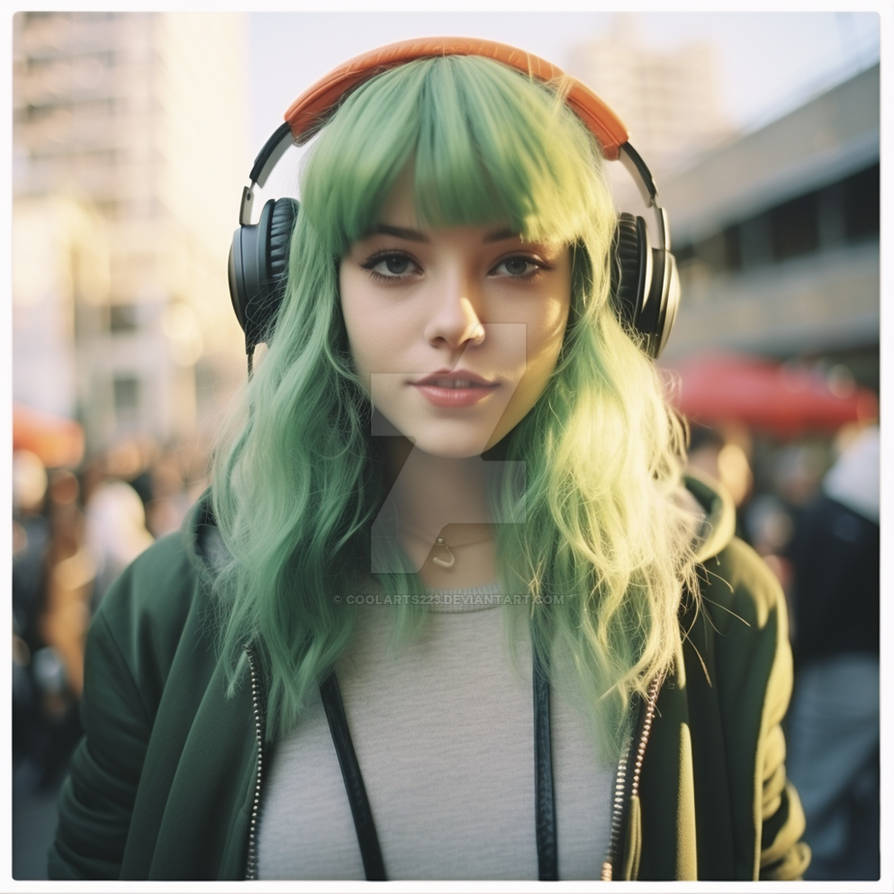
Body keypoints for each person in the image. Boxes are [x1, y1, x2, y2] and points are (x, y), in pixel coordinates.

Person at [48, 37, 809, 881]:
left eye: (517, 262)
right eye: (395, 262)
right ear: (309, 289)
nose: (459, 320)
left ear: (600, 293)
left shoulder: (720, 607)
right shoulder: (167, 614)